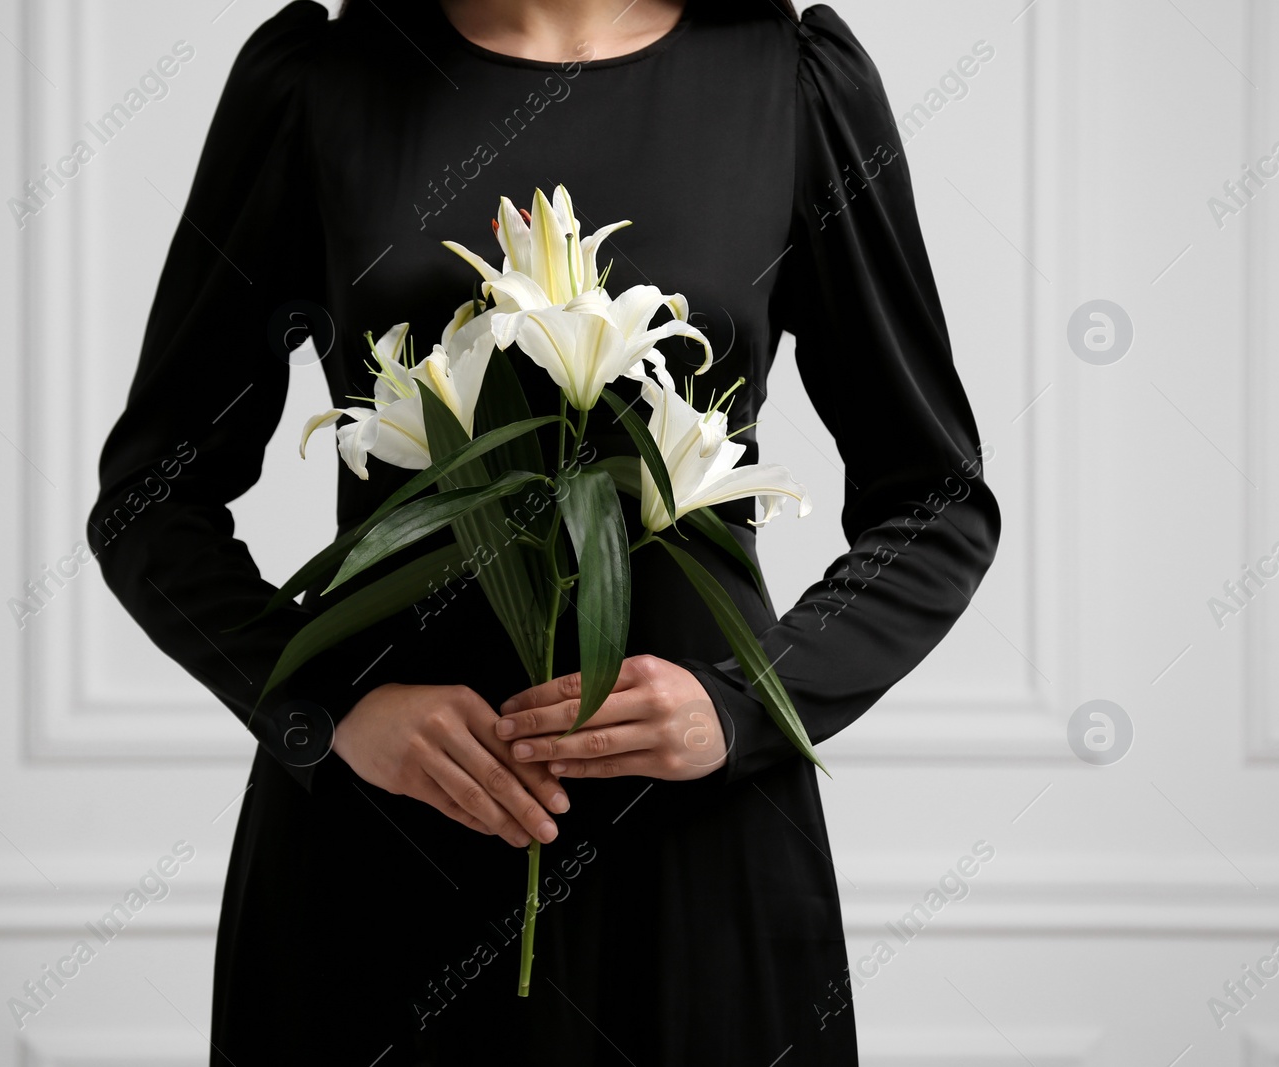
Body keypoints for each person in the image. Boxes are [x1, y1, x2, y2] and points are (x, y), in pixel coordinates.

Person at [88, 0, 1001, 1062]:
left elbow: (935, 498)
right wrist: (325, 709)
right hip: (377, 845)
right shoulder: (317, 84)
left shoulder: (786, 83)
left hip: (696, 853)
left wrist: (749, 703)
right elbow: (150, 500)